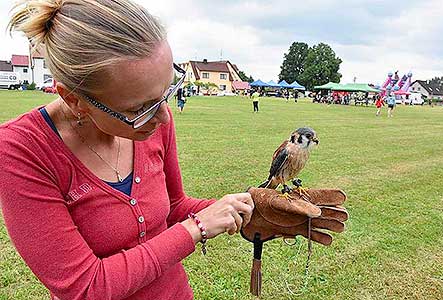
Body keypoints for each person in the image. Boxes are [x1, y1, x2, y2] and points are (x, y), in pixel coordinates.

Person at [0, 1, 254, 299]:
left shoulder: (157, 120)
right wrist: (196, 227)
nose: (162, 117)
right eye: (139, 108)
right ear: (74, 99)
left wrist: (250, 207)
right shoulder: (20, 149)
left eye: (165, 93)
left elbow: (172, 207)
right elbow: (84, 287)